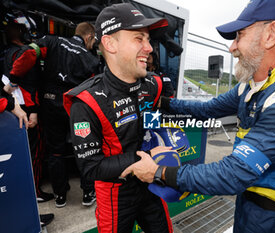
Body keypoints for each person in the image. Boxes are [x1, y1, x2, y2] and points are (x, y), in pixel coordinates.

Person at [121, 0, 275, 232]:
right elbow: (208, 109)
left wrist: (159, 172)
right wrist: (161, 101)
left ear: (271, 34)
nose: (232, 47)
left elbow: (233, 174)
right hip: (248, 203)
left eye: (239, 36)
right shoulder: (254, 84)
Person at [63, 3, 173, 233]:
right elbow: (90, 168)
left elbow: (151, 122)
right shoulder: (86, 102)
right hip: (115, 194)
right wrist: (145, 158)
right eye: (138, 38)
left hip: (152, 184)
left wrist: (160, 139)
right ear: (110, 44)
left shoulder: (154, 84)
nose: (149, 48)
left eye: (148, 39)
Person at [9, 21, 99, 208]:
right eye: (94, 40)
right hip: (76, 110)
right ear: (89, 36)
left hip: (49, 106)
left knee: (55, 151)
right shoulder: (91, 59)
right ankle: (88, 192)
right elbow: (93, 90)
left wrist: (14, 80)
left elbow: (28, 54)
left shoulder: (51, 41)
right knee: (84, 149)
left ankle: (60, 195)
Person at [2, 16, 55, 202]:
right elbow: (29, 84)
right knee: (35, 151)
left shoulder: (6, 52)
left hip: (11, 109)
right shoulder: (24, 52)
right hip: (25, 109)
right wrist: (33, 110)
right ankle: (35, 193)